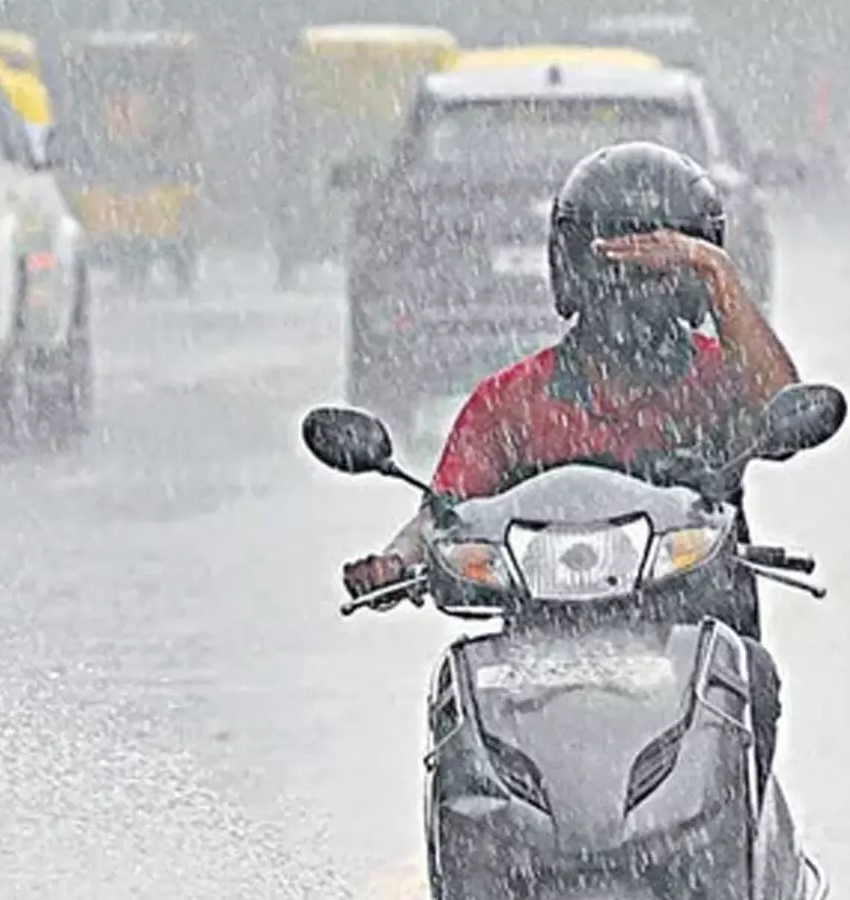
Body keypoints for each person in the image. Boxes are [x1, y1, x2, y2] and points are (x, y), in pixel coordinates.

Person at [341, 140, 800, 781]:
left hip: (696, 639)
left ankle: (741, 841)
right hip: (534, 664)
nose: (634, 291)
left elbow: (782, 405)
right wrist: (396, 562)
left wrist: (717, 272)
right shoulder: (511, 401)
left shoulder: (721, 382)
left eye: (660, 269)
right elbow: (445, 511)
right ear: (572, 272)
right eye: (616, 265)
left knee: (757, 681)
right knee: (459, 715)